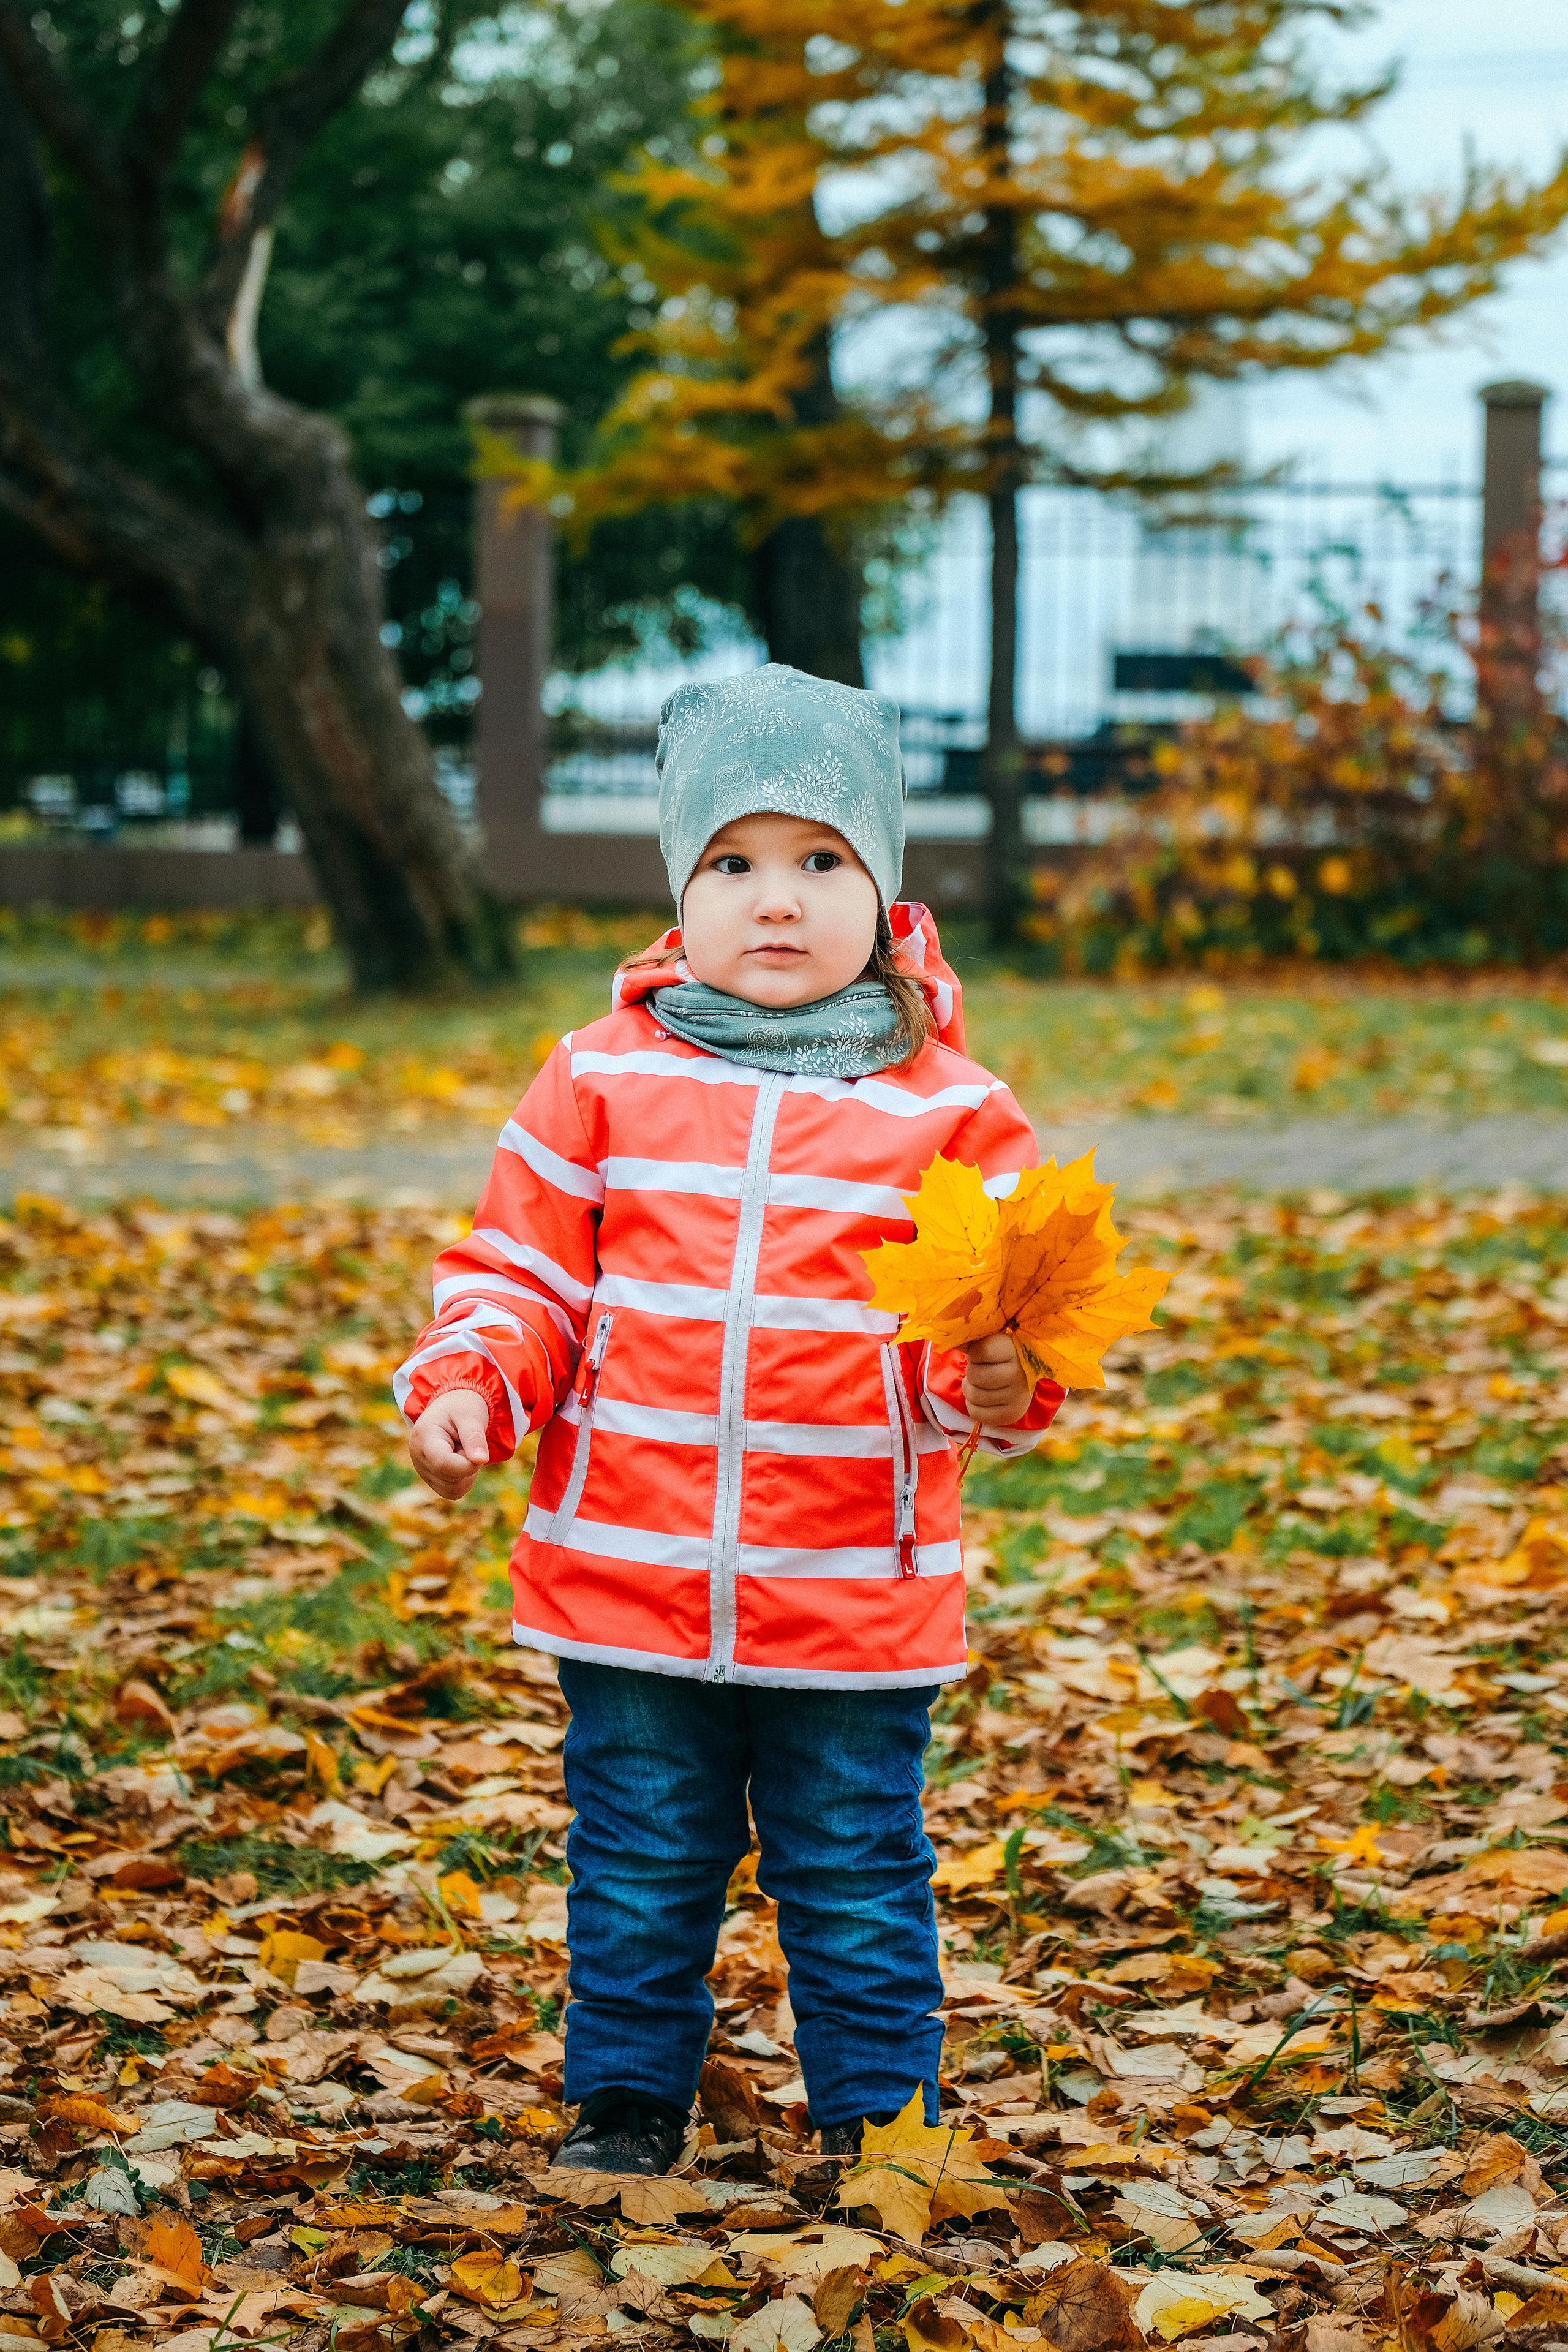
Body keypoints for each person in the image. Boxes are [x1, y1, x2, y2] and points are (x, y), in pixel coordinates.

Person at [396, 664, 1065, 2177]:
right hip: (624, 1577)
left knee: (854, 1870)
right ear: (676, 891)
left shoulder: (950, 1111)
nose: (778, 901)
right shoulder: (599, 1080)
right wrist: (467, 1385)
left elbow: (986, 1330)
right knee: (637, 1862)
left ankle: (881, 2126)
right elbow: (521, 1275)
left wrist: (998, 1381)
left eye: (821, 861)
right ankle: (623, 2102)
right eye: (734, 863)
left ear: (883, 887)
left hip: (850, 1592)